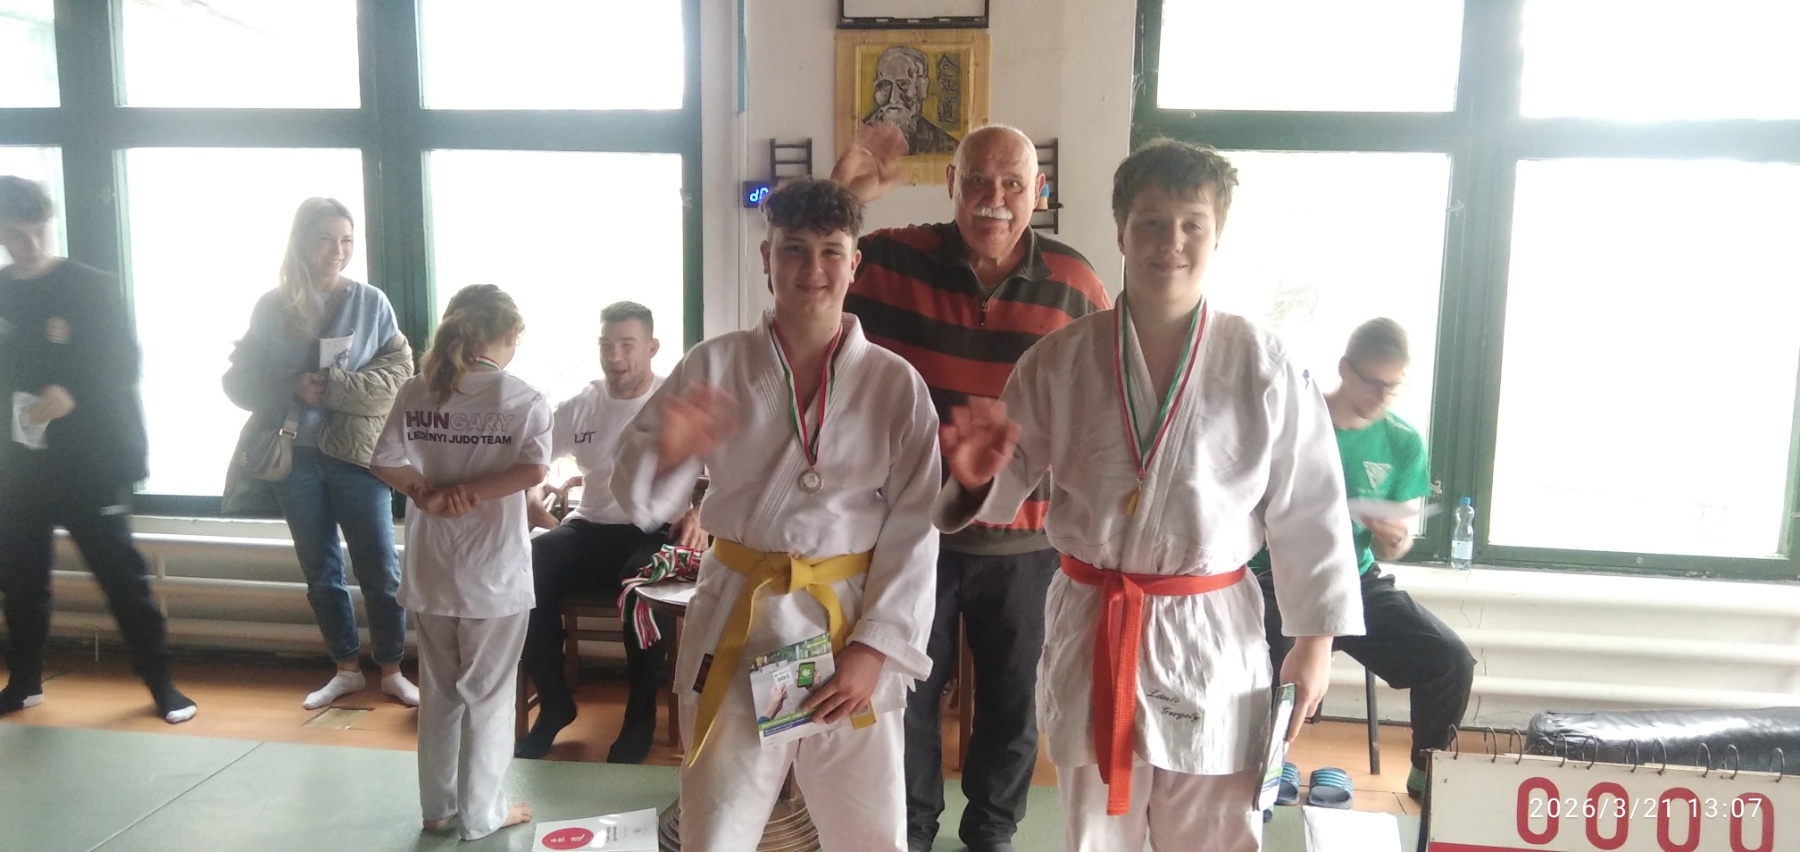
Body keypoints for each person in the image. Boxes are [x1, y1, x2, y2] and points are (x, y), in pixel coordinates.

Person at [934, 140, 1364, 851]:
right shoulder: (1060, 359)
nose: (1172, 242)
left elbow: (1310, 509)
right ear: (1121, 231)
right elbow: (995, 490)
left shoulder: (1262, 362)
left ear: (1218, 234)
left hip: (1210, 629)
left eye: (1193, 224)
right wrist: (974, 474)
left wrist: (1313, 643)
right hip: (1096, 619)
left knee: (1216, 830)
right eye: (1152, 223)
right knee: (1097, 833)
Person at [611, 177, 940, 852]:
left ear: (854, 263)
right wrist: (668, 450)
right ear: (767, 257)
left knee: (869, 830)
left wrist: (876, 647)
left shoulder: (894, 382)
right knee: (717, 824)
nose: (811, 268)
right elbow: (642, 499)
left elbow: (918, 523)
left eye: (830, 251)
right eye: (794, 249)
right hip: (740, 614)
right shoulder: (716, 364)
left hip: (847, 623)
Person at [833, 122, 1108, 852]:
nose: (994, 197)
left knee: (1014, 704)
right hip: (912, 534)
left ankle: (992, 832)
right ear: (951, 184)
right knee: (906, 697)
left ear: (1037, 193)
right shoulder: (891, 259)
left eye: (1012, 183)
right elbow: (811, 269)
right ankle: (911, 830)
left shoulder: (1075, 283)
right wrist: (841, 193)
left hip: (1028, 542)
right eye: (978, 180)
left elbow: (1105, 401)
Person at [0, 175, 196, 724]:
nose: (30, 244)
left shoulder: (90, 286)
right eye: (15, 234)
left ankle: (162, 685)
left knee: (121, 577)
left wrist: (72, 395)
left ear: (50, 223)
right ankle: (24, 681)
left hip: (89, 460)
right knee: (20, 579)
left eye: (38, 230)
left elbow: (124, 362)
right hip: (18, 465)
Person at [1252, 317, 1474, 802]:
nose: (1381, 396)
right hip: (1278, 575)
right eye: (1372, 382)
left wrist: (1393, 537)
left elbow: (1397, 546)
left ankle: (1426, 774)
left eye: (1392, 387)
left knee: (1450, 660)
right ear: (1344, 369)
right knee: (1258, 659)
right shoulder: (1297, 424)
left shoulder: (1403, 442)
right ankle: (1266, 768)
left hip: (1356, 579)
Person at [370, 283, 551, 841]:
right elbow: (533, 470)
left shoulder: (416, 390)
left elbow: (383, 461)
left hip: (431, 569)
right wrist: (470, 493)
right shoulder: (522, 398)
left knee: (441, 693)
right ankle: (482, 814)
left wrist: (428, 494)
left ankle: (437, 808)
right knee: (490, 698)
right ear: (509, 334)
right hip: (493, 575)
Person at [223, 197, 418, 711]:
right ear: (302, 242)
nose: (338, 250)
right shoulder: (271, 306)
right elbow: (238, 382)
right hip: (293, 457)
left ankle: (393, 669)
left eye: (347, 240)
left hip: (359, 456)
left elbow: (399, 376)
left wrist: (333, 387)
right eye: (326, 239)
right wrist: (292, 385)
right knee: (320, 570)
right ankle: (346, 668)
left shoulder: (371, 302)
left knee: (381, 568)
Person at [512, 301, 706, 763]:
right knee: (528, 565)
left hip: (655, 531)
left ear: (652, 348)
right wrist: (533, 495)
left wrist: (700, 514)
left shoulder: (677, 404)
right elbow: (533, 461)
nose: (615, 357)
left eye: (626, 345)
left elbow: (728, 474)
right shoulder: (581, 405)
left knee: (642, 585)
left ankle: (640, 712)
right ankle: (555, 703)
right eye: (606, 345)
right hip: (589, 527)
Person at [863, 46, 960, 156]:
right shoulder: (859, 137)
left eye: (903, 84)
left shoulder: (945, 146)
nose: (893, 99)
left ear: (922, 88)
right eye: (885, 85)